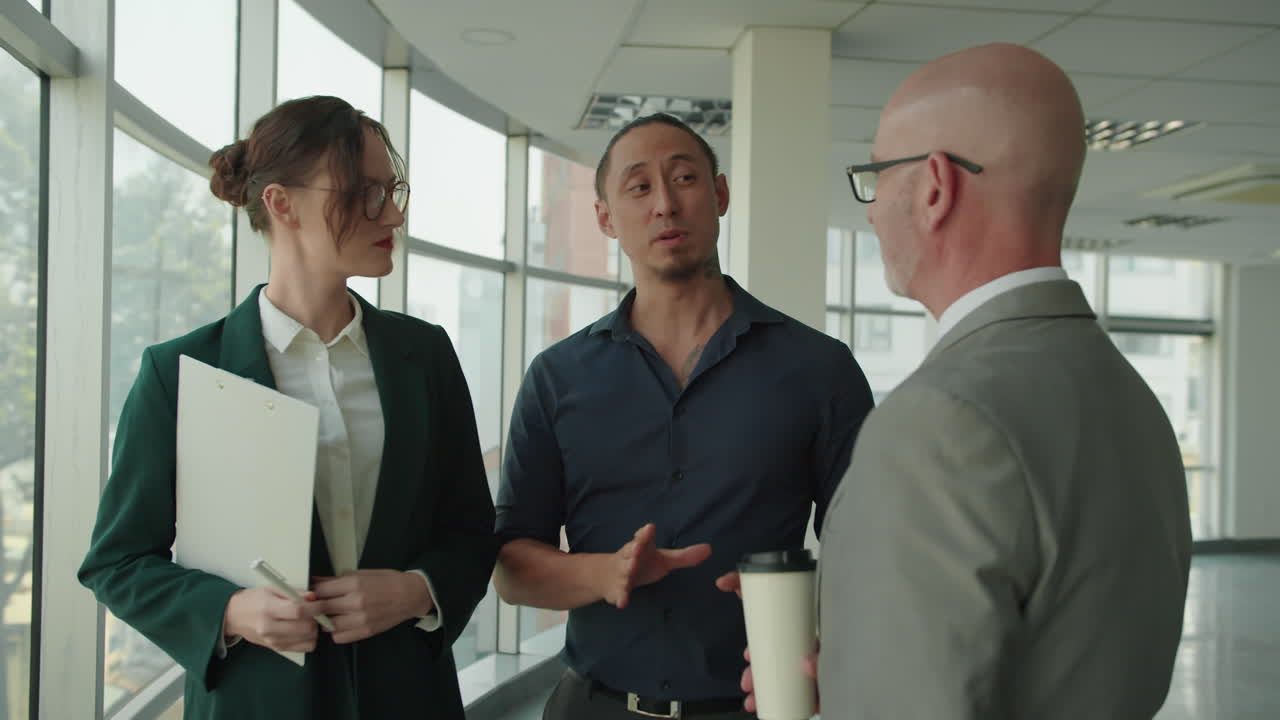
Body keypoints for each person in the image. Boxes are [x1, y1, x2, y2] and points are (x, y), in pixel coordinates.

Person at [796, 43, 1191, 718]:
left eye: (876, 176)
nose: (869, 209)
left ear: (933, 188)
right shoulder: (1130, 397)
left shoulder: (939, 421)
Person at [78, 95, 498, 720]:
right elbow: (118, 562)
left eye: (394, 190)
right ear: (281, 204)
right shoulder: (183, 372)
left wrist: (418, 590)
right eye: (366, 192)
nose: (394, 215)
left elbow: (471, 528)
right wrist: (229, 610)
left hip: (408, 697)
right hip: (258, 701)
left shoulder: (425, 355)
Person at [493, 112, 874, 720]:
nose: (665, 205)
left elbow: (870, 551)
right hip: (595, 707)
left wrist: (816, 619)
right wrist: (606, 573)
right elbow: (512, 570)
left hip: (757, 706)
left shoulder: (818, 369)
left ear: (719, 195)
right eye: (639, 187)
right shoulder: (557, 377)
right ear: (605, 218)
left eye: (685, 179)